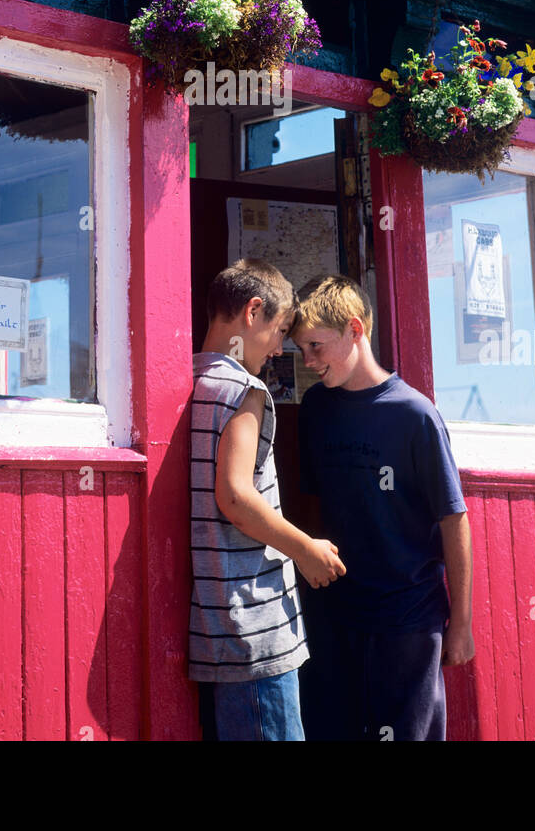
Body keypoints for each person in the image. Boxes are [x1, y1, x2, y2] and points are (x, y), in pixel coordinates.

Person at [293, 273, 473, 742]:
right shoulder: (314, 408)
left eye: (316, 346)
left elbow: (454, 520)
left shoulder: (414, 414)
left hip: (407, 620)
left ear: (355, 329)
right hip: (334, 619)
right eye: (301, 350)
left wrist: (462, 624)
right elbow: (310, 507)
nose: (309, 361)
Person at [189, 258, 346, 741]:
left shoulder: (194, 378)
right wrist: (306, 549)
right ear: (253, 311)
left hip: (217, 625)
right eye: (279, 332)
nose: (280, 349)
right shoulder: (245, 389)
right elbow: (236, 496)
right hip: (257, 626)